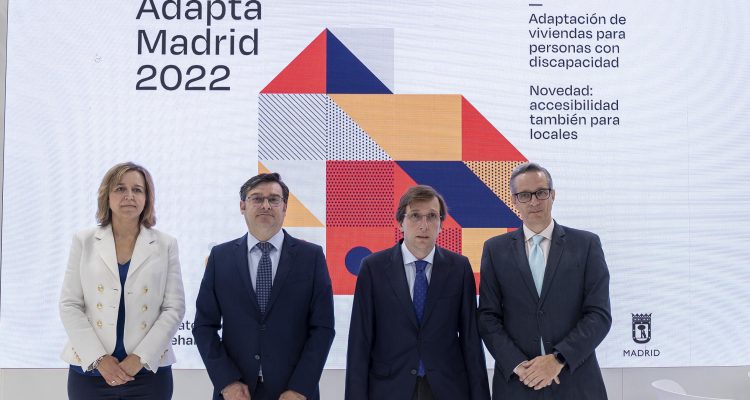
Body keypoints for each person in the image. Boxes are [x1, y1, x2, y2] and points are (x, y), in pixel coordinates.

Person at [194, 172, 335, 400]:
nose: (266, 205)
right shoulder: (220, 257)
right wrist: (227, 382)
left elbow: (323, 328)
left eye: (274, 199)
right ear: (242, 205)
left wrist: (300, 388)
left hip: (293, 392)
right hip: (236, 392)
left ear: (285, 207)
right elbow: (203, 326)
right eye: (257, 198)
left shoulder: (311, 257)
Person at [477, 162, 612, 399]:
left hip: (576, 383)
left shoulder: (586, 245)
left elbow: (599, 314)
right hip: (517, 384)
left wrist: (558, 359)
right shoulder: (495, 250)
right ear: (514, 200)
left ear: (553, 195)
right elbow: (488, 317)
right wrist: (519, 365)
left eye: (541, 192)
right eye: (524, 195)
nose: (534, 201)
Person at [346, 185, 491, 400]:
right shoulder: (373, 268)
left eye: (432, 216)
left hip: (447, 389)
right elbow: (360, 341)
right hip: (389, 389)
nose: (424, 225)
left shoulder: (459, 268)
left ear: (441, 224)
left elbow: (471, 340)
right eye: (415, 216)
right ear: (400, 222)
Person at [59, 162, 186, 399]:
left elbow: (174, 307)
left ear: (147, 198)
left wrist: (140, 358)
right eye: (120, 189)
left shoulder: (165, 244)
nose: (129, 196)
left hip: (148, 371)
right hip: (90, 370)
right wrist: (99, 359)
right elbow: (69, 304)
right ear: (107, 196)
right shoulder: (84, 241)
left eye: (137, 190)